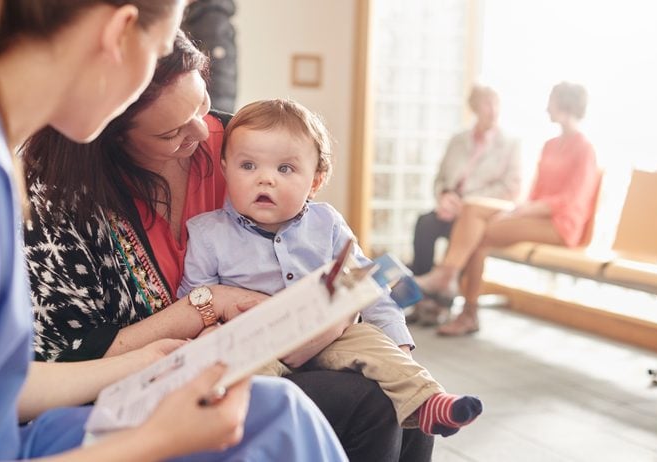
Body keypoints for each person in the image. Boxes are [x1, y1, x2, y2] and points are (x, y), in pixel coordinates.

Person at [0, 2, 346, 461]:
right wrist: (156, 440)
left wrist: (150, 362)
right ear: (119, 34)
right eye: (159, 49)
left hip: (4, 434)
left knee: (279, 410)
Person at [23, 32, 435, 462]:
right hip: (176, 376)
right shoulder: (58, 206)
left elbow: (333, 255)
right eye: (172, 132)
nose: (203, 132)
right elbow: (66, 359)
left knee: (413, 406)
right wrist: (210, 304)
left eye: (200, 103)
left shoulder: (245, 146)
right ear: (108, 135)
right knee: (364, 402)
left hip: (309, 340)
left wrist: (334, 317)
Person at [179, 98, 483, 436]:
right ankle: (267, 431)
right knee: (240, 369)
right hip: (256, 341)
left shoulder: (327, 223)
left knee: (370, 339)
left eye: (285, 169)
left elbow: (368, 286)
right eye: (248, 166)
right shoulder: (207, 233)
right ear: (224, 169)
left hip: (330, 337)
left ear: (315, 180)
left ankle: (428, 401)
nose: (265, 180)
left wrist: (399, 347)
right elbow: (192, 302)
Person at [416, 81, 601, 336]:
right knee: (473, 213)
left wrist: (528, 209)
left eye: (551, 100)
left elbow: (573, 200)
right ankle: (455, 292)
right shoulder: (550, 145)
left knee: (479, 234)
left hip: (562, 225)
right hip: (535, 216)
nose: (547, 106)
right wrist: (521, 209)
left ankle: (452, 287)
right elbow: (537, 190)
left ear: (564, 104)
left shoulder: (584, 148)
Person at [408, 85, 521, 325]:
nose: (493, 110)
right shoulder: (459, 140)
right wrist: (445, 196)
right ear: (474, 108)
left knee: (464, 233)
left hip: (480, 214)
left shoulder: (510, 144)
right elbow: (440, 178)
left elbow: (511, 189)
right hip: (451, 207)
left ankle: (442, 303)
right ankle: (420, 299)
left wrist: (468, 202)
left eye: (496, 104)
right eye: (487, 104)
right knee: (424, 224)